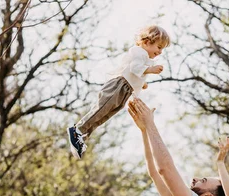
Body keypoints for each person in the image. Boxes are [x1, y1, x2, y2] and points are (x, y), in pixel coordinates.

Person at [68, 25, 169, 158]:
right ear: (146, 42)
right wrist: (150, 70)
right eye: (159, 47)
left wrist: (142, 84)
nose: (160, 51)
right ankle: (78, 130)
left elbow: (135, 72)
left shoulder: (145, 58)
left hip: (126, 90)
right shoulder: (139, 52)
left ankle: (82, 136)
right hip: (119, 85)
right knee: (102, 109)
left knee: (105, 115)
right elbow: (134, 67)